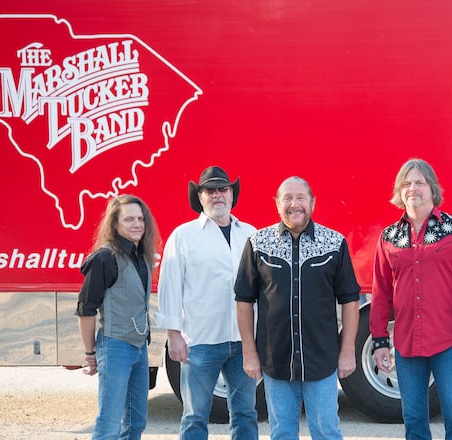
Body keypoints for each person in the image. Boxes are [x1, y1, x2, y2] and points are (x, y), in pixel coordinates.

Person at [234, 176, 360, 440]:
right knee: (281, 433)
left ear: (312, 203)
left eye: (301, 197)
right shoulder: (258, 243)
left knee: (326, 431)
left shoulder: (334, 243)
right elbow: (244, 299)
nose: (294, 204)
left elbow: (349, 300)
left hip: (322, 360)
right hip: (275, 359)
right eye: (287, 198)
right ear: (277, 204)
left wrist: (348, 350)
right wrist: (249, 352)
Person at [370, 158, 452, 440]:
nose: (413, 188)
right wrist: (379, 342)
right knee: (413, 419)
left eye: (419, 182)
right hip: (407, 345)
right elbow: (381, 293)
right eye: (407, 183)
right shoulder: (389, 237)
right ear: (400, 191)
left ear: (432, 189)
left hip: (449, 344)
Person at [156, 166, 258, 440]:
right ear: (199, 197)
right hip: (200, 342)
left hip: (243, 341)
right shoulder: (183, 236)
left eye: (222, 189)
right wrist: (174, 335)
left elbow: (263, 287)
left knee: (246, 413)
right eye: (209, 191)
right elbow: (170, 287)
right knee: (194, 415)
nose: (217, 195)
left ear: (231, 194)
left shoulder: (250, 233)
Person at [76, 194, 160, 440]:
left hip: (139, 348)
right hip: (115, 347)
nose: (137, 224)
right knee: (109, 426)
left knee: (136, 422)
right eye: (129, 219)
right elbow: (86, 309)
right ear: (115, 224)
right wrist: (90, 353)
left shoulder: (140, 255)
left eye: (140, 219)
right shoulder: (104, 258)